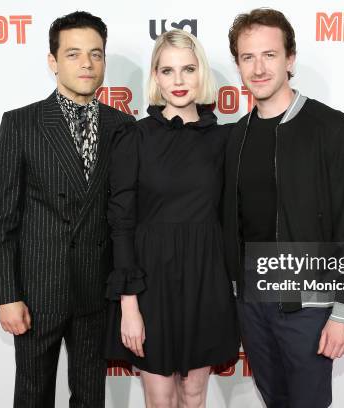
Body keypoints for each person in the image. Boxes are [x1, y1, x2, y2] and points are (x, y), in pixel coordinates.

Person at [223, 8, 344, 408]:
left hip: (309, 302)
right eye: (247, 57)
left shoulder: (331, 128)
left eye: (269, 55)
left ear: (290, 59)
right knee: (275, 400)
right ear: (237, 64)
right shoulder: (237, 135)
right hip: (252, 300)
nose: (258, 68)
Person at [0, 11, 134, 408]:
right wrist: (7, 295)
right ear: (53, 62)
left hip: (96, 292)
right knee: (33, 394)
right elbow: (2, 219)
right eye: (73, 54)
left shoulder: (123, 126)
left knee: (91, 398)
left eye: (96, 54)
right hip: (37, 293)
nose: (87, 63)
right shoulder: (22, 124)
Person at [104, 29, 239, 408]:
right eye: (167, 71)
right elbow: (121, 222)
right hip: (150, 284)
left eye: (188, 69)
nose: (178, 81)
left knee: (194, 395)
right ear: (156, 77)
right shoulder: (135, 137)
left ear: (202, 74)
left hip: (205, 280)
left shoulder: (224, 140)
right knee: (160, 397)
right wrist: (129, 305)